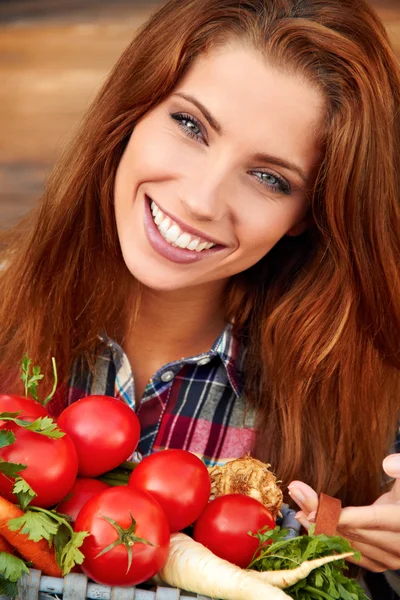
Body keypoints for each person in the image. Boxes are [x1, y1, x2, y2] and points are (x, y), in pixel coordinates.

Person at [0, 0, 399, 582]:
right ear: (131, 111)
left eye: (270, 178)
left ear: (308, 214)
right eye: (190, 125)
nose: (201, 200)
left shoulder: (370, 392)